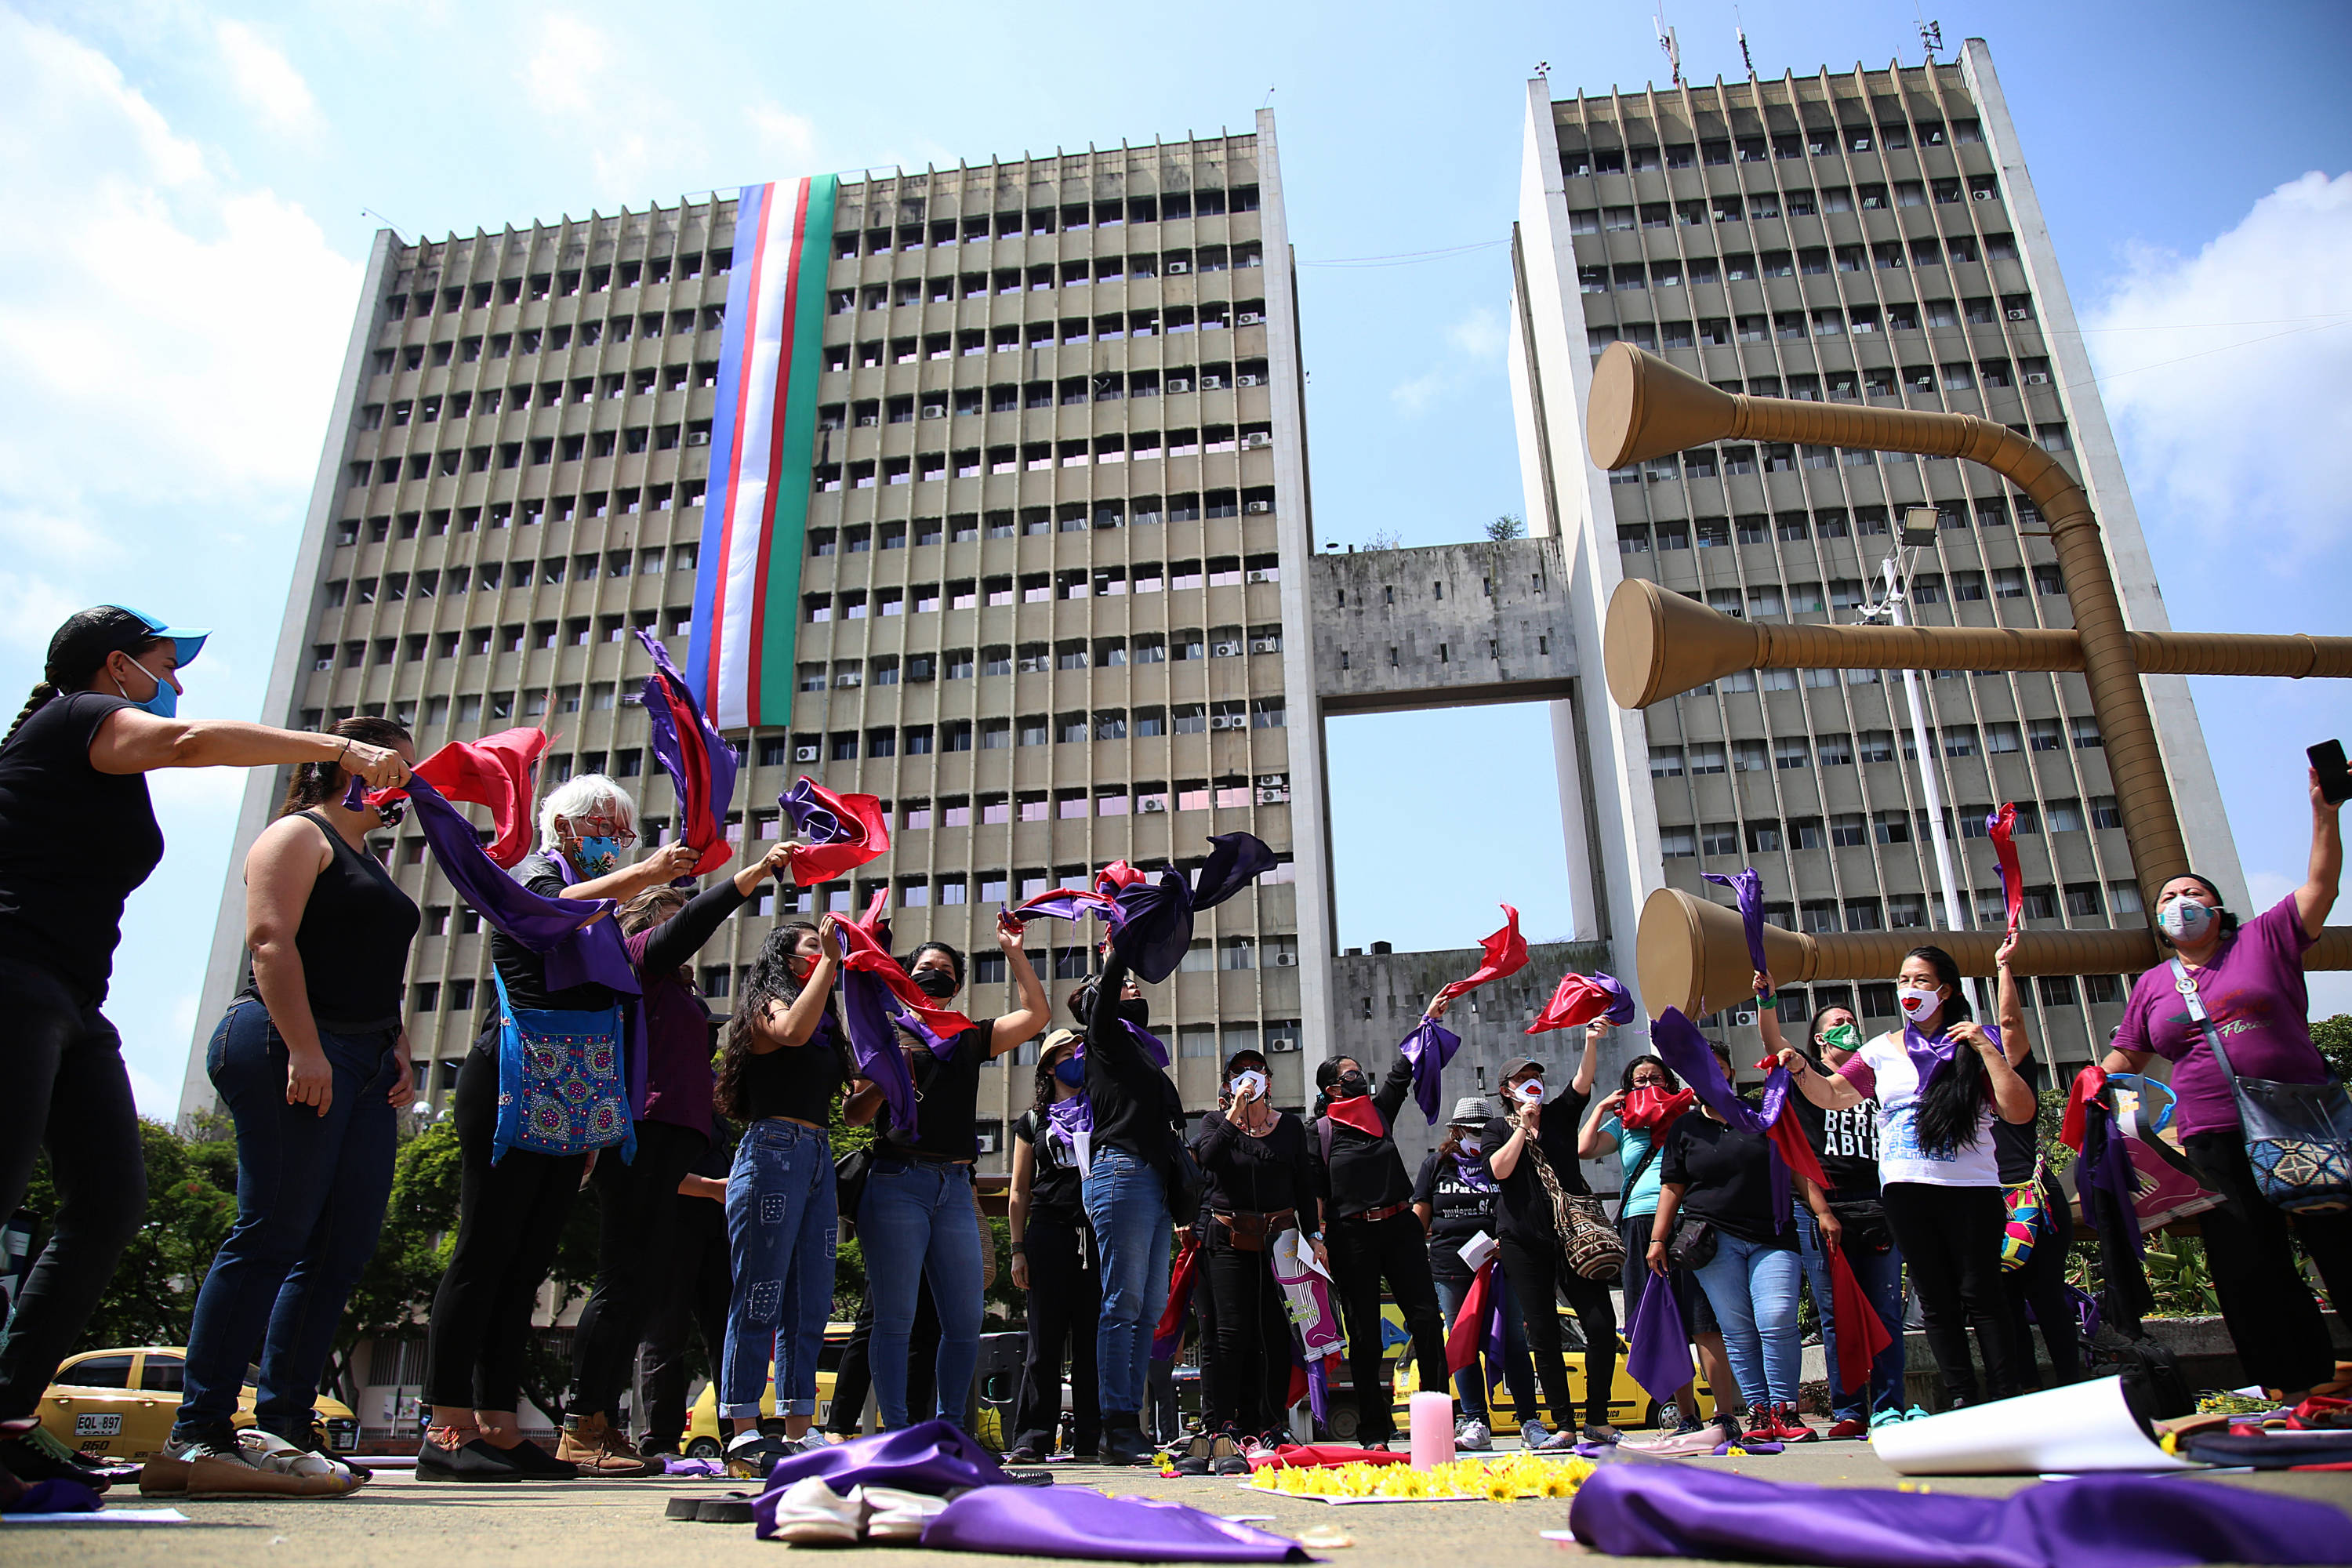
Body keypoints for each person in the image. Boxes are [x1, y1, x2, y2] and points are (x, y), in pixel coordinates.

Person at [0, 606, 408, 1488]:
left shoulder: (96, 766)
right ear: (117, 667)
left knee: (109, 1201)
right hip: (12, 976)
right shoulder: (71, 717)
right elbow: (185, 740)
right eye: (162, 664)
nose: (176, 681)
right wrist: (334, 747)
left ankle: (7, 1415)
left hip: (73, 999)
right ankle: (199, 1426)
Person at [148, 717, 420, 1495]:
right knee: (271, 1232)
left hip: (364, 1060)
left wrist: (394, 1046)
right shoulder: (298, 837)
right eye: (403, 762)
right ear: (359, 760)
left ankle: (285, 1428)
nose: (411, 779)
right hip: (285, 1043)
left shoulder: (371, 856)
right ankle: (197, 1433)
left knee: (338, 1247)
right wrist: (304, 1047)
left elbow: (369, 963)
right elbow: (271, 940)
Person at [419, 775, 699, 1482]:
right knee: (485, 1250)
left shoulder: (605, 903)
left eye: (626, 831)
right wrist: (643, 874)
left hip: (569, 1089)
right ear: (568, 827)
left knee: (526, 1261)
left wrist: (597, 1117)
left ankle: (499, 1423)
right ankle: (447, 1425)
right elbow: (540, 914)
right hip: (513, 1077)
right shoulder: (537, 875)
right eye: (608, 826)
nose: (618, 842)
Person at [2103, 768, 2347, 1399]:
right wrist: (2091, 1085)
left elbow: (2320, 884)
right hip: (2211, 1135)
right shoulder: (2153, 984)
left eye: (2190, 893)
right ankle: (2294, 1390)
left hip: (2297, 1117)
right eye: (2165, 899)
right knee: (2248, 1267)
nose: (2177, 903)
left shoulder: (2265, 938)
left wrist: (2324, 812)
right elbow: (2127, 1052)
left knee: (2340, 1245)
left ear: (2216, 907)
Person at [557, 840, 796, 1474]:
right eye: (670, 913)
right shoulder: (637, 961)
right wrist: (751, 875)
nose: (682, 923)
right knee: (623, 1284)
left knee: (635, 1288)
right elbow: (695, 922)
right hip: (645, 1131)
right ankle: (584, 1425)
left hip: (671, 1135)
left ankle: (599, 1427)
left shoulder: (672, 985)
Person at [1782, 942, 2036, 1410]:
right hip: (1904, 1188)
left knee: (1981, 1294)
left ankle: (2005, 1395)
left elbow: (2019, 1111)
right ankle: (1961, 1396)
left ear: (1946, 989)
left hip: (1971, 1188)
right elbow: (1832, 1095)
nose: (1910, 989)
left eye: (1921, 980)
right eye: (1903, 981)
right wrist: (1799, 1066)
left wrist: (1984, 1045)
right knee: (1935, 1299)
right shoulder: (1881, 1049)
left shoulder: (1975, 1043)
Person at [844, 920, 1048, 1433]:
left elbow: (1035, 1016)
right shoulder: (883, 1032)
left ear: (956, 986)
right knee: (893, 1320)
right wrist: (888, 1073)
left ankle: (949, 1433)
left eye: (943, 972)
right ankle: (895, 1435)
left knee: (963, 1322)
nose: (933, 977)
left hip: (955, 1187)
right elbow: (852, 1114)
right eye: (923, 971)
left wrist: (1014, 952)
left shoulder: (967, 1037)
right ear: (905, 979)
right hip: (896, 1182)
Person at [1648, 997, 1837, 1444]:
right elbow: (1672, 1188)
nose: (1707, 1075)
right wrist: (1658, 1240)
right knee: (1735, 1327)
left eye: (1714, 1066)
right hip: (1712, 1240)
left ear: (1729, 1072)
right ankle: (1756, 1413)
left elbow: (1799, 1166)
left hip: (1773, 1234)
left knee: (1776, 1316)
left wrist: (1823, 1212)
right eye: (1697, 1069)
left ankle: (1785, 1410)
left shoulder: (1766, 1113)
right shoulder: (1684, 1129)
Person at [713, 917, 850, 1475]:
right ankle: (744, 1427)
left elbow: (847, 1073)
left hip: (818, 1152)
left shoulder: (824, 1019)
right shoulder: (769, 1004)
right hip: (773, 1149)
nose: (826, 951)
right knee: (761, 1292)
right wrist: (831, 966)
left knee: (811, 1299)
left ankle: (798, 1430)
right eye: (814, 945)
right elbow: (789, 1031)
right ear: (787, 958)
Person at [1579, 1045, 1737, 1443]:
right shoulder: (1624, 1124)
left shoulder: (1687, 1115)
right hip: (1638, 1222)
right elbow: (1584, 1149)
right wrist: (1601, 1108)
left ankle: (1726, 1413)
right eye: (1639, 1081)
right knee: (1665, 1325)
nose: (1649, 1085)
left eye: (1656, 1079)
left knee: (1703, 1322)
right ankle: (1687, 1415)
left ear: (1670, 1082)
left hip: (1687, 1221)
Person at [1073, 946, 1188, 1467]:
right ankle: (1115, 1423)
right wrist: (1117, 952)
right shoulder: (1101, 1039)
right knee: (1121, 1305)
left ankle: (1130, 1423)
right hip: (1122, 1174)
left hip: (1156, 1183)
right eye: (1124, 983)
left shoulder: (1141, 1050)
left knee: (1147, 1309)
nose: (1135, 985)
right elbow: (1106, 993)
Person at [1483, 1027, 1622, 1449]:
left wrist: (1591, 1042)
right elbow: (1499, 1171)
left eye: (1537, 1078)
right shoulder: (1496, 1127)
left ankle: (1597, 1418)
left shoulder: (1560, 1115)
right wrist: (1522, 1129)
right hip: (1524, 1242)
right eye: (1523, 1079)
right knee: (1542, 1333)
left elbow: (1582, 1082)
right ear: (1506, 1090)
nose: (1533, 1085)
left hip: (1575, 1237)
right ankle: (1563, 1425)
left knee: (1601, 1326)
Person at [1778, 999, 1912, 1434]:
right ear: (1819, 1039)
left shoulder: (1876, 1078)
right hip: (1825, 1209)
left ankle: (1892, 1405)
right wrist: (1820, 1209)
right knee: (1836, 1316)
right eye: (1839, 1024)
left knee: (1886, 1309)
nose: (1849, 1028)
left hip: (1879, 1203)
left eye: (1853, 1021)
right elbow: (1795, 1155)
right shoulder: (1804, 1083)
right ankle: (1849, 1409)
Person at [1313, 1027, 1450, 1451]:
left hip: (1399, 1226)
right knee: (1366, 1335)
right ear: (1333, 1087)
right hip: (1350, 1235)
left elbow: (1400, 1075)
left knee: (1427, 1320)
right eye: (1351, 1074)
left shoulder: (1378, 1113)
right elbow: (1314, 1191)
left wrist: (1427, 1021)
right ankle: (1374, 1433)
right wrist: (1317, 1238)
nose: (1360, 1078)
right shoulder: (1317, 1132)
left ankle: (1440, 1423)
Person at [1191, 1048, 1320, 1463]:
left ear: (1270, 1080)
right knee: (1231, 1333)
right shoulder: (1215, 1123)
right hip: (1228, 1237)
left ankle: (1270, 1422)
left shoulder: (1290, 1128)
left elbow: (1303, 1182)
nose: (1250, 1078)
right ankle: (1223, 1424)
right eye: (1239, 1073)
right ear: (1228, 1085)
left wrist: (1315, 1235)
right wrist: (1235, 1114)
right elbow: (1205, 1163)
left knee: (1276, 1331)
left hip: (1280, 1237)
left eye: (1258, 1072)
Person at [1414, 1095, 1538, 1451]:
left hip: (1502, 1265)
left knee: (1513, 1338)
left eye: (1483, 1132)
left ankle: (1528, 1419)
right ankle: (1475, 1420)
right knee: (1463, 1340)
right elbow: (1421, 1213)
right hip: (1452, 1268)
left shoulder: (1505, 1160)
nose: (1476, 1137)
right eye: (1469, 1131)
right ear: (1456, 1130)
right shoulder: (1437, 1165)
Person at [1006, 1029, 1100, 1462]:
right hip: (1047, 1232)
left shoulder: (1104, 1109)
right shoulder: (1032, 1121)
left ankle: (1091, 1439)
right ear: (1048, 1066)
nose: (1076, 1059)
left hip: (1097, 1234)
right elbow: (1019, 1191)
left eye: (1080, 1051)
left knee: (1092, 1341)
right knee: (1044, 1341)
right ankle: (1033, 1437)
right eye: (1067, 1054)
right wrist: (1018, 1248)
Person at [637, 1128, 735, 1457]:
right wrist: (709, 1188)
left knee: (728, 1337)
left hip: (720, 1229)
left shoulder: (719, 1099)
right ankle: (661, 1440)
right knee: (665, 1334)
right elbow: (652, 1171)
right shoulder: (666, 1096)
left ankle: (739, 1435)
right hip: (672, 1225)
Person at [1994, 1051, 2078, 1391]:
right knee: (2004, 1306)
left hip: (2036, 1198)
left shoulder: (2015, 1081)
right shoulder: (1952, 1093)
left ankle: (2071, 1385)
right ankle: (2025, 1390)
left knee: (2048, 1298)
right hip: (1986, 1203)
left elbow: (2014, 1029)